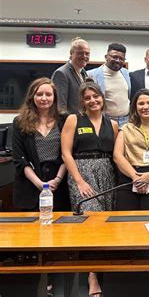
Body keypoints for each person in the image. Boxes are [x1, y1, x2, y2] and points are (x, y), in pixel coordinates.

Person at [61, 80, 118, 297]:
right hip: (82, 172)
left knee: (105, 223)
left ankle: (102, 267)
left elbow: (115, 154)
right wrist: (79, 180)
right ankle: (92, 274)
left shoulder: (112, 124)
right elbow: (66, 153)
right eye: (88, 98)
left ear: (102, 99)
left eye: (96, 96)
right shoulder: (74, 119)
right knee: (91, 221)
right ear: (82, 102)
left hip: (107, 173)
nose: (93, 100)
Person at [12, 78, 70, 211]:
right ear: (32, 97)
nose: (44, 98)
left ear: (54, 97)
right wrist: (40, 184)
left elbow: (67, 153)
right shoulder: (20, 122)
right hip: (30, 184)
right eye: (39, 94)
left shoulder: (64, 120)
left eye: (48, 94)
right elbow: (20, 160)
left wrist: (57, 179)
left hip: (59, 183)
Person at [87, 43, 131, 127]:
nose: (118, 60)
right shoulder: (91, 75)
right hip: (105, 121)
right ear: (106, 56)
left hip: (126, 121)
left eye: (121, 58)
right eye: (114, 57)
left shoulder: (127, 74)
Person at [52, 37, 90, 114]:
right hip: (70, 122)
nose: (84, 56)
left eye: (87, 53)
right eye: (80, 53)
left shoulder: (84, 73)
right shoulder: (61, 73)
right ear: (71, 53)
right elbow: (60, 107)